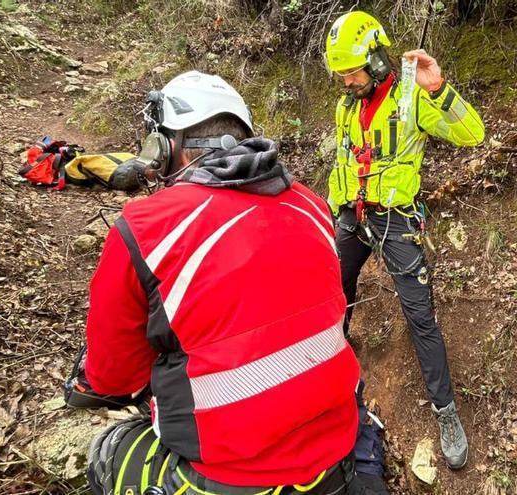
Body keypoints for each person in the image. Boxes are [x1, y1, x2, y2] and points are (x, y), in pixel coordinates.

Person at [76, 70, 388, 495]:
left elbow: (112, 380)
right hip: (335, 452)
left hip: (229, 475)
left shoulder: (145, 228)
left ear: (167, 148)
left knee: (107, 451)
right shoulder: (312, 206)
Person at [323, 11, 485, 470]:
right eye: (340, 75)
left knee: (420, 316)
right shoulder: (345, 106)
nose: (346, 82)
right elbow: (343, 162)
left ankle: (446, 412)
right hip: (352, 216)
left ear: (375, 60)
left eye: (351, 73)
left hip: (396, 222)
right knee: (334, 291)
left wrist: (438, 89)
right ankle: (330, 367)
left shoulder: (412, 97)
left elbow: (473, 133)